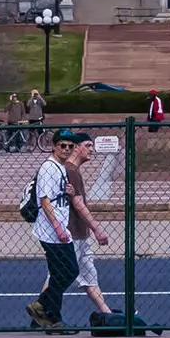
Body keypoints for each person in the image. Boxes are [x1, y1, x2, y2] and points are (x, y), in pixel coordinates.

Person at [26, 129, 78, 331]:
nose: (66, 149)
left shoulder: (60, 167)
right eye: (62, 145)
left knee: (61, 273)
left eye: (70, 146)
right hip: (52, 230)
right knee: (68, 271)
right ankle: (50, 315)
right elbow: (44, 200)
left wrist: (69, 192)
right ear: (54, 146)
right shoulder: (49, 167)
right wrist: (58, 227)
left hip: (58, 228)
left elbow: (56, 195)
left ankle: (43, 312)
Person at [63, 133, 114, 318]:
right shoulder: (70, 171)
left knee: (89, 276)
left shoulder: (74, 171)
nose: (91, 149)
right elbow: (78, 203)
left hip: (81, 234)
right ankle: (44, 312)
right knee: (58, 276)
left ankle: (107, 314)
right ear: (76, 148)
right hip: (72, 234)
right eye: (87, 145)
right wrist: (97, 228)